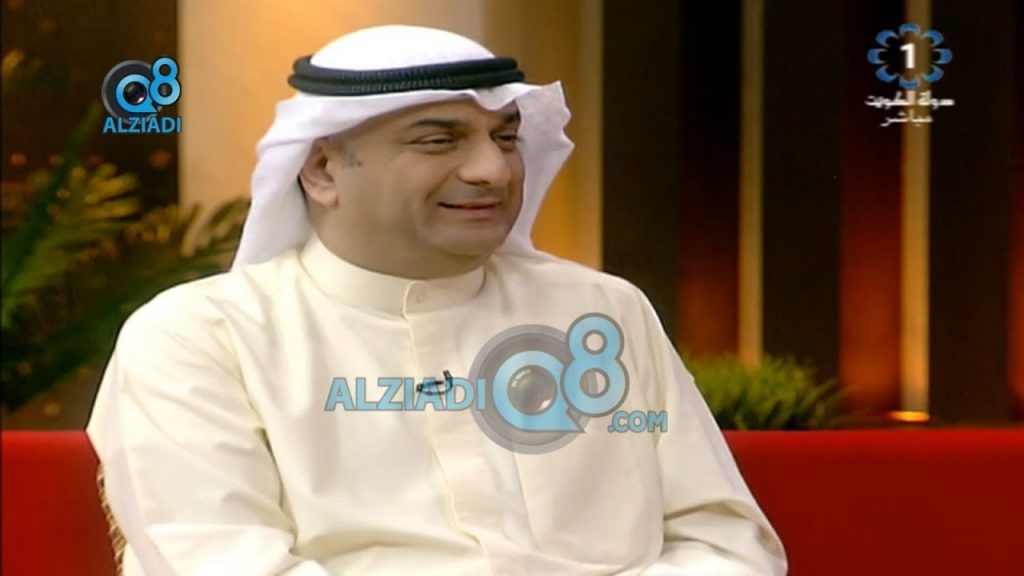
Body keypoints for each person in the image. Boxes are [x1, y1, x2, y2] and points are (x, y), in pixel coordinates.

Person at [87, 25, 787, 576]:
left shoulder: (603, 312)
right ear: (323, 169)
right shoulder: (199, 335)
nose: (493, 171)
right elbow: (219, 559)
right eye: (438, 141)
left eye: (505, 139)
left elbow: (723, 543)